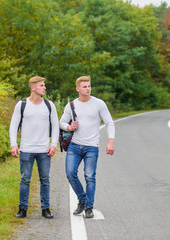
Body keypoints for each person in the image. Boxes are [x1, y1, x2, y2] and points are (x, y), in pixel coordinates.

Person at [59, 75, 115, 219]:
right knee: (70, 173)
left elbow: (109, 122)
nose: (88, 89)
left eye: (89, 86)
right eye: (84, 86)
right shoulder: (71, 105)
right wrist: (69, 127)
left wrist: (111, 141)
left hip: (91, 147)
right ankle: (82, 199)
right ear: (78, 89)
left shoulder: (99, 104)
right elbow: (62, 123)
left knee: (90, 177)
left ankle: (89, 207)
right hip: (74, 146)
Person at [9, 76, 59, 219]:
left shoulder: (49, 105)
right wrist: (14, 145)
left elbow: (55, 126)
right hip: (26, 149)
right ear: (33, 88)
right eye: (41, 85)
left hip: (44, 150)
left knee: (45, 179)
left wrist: (53, 144)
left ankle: (45, 209)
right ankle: (22, 208)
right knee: (25, 179)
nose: (44, 88)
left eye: (44, 85)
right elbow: (13, 126)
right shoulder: (22, 105)